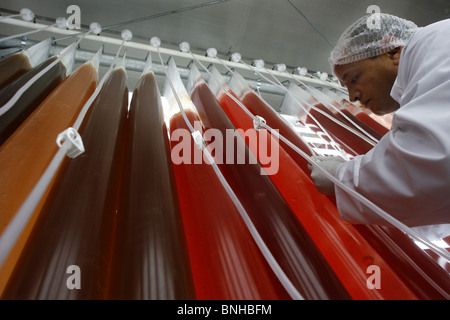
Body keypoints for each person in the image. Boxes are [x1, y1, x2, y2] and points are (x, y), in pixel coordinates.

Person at [309, 13, 450, 239]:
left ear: (392, 52)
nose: (352, 96)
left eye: (353, 79)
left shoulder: (435, 47)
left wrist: (341, 177)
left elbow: (433, 160)